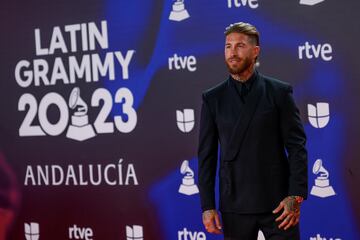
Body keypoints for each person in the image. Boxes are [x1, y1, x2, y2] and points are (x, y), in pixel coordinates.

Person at [198, 22, 308, 240]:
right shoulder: (212, 99)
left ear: (255, 51)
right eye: (228, 46)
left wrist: (295, 195)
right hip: (234, 203)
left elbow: (297, 147)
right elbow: (206, 157)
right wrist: (207, 206)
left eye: (239, 46)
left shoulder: (279, 92)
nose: (232, 53)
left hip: (279, 205)